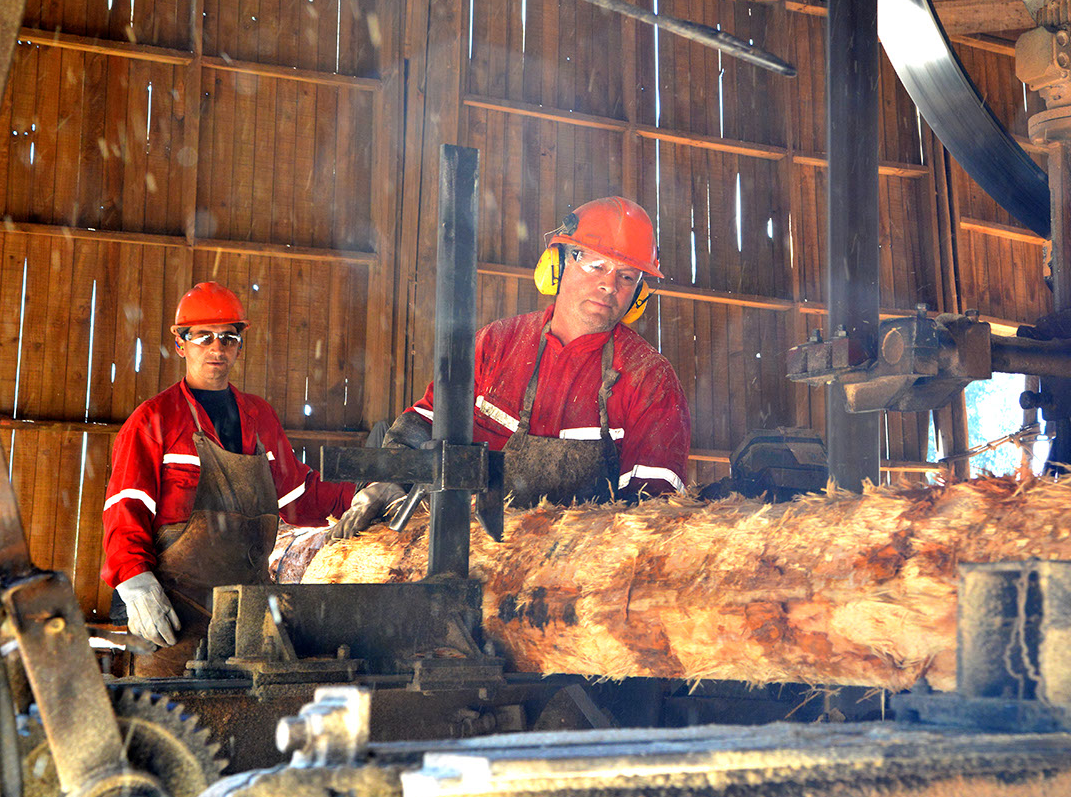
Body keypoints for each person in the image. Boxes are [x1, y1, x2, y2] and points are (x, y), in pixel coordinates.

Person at [100, 282, 399, 675]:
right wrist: (134, 581)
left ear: (240, 345)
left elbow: (299, 496)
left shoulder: (259, 419)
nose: (216, 348)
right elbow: (126, 509)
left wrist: (362, 496)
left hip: (248, 619)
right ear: (180, 344)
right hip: (173, 618)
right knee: (171, 721)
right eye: (203, 337)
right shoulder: (153, 421)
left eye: (228, 337)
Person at [382, 197, 692, 522]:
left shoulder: (650, 380)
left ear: (638, 294)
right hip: (469, 552)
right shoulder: (495, 344)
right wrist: (387, 480)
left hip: (577, 568)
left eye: (627, 276)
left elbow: (654, 513)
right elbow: (422, 427)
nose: (609, 285)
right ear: (557, 264)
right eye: (596, 265)